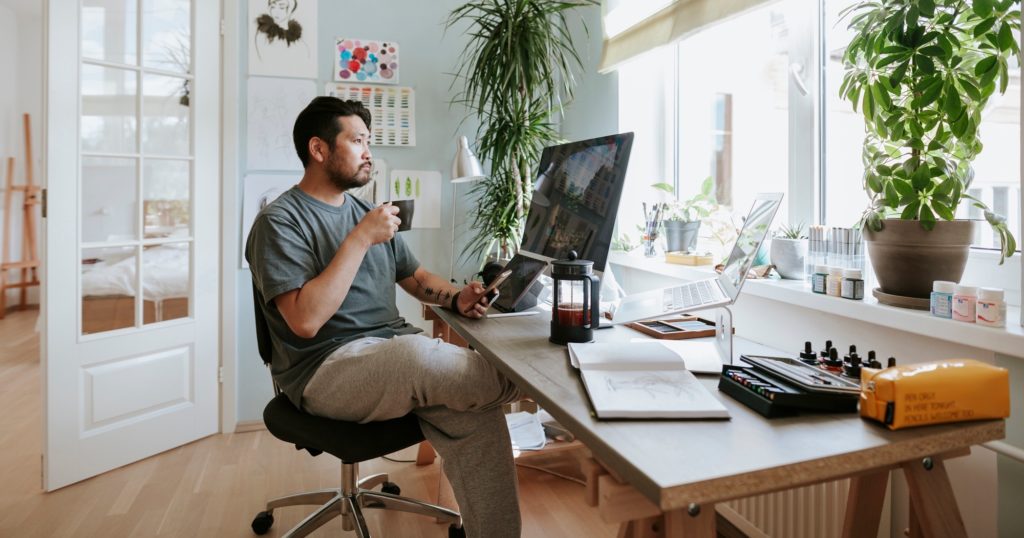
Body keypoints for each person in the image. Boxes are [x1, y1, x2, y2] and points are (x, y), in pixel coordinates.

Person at [245, 96, 523, 538]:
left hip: (392, 354)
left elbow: (415, 277)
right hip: (325, 370)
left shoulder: (367, 214)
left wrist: (457, 297)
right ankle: (532, 382)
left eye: (369, 141)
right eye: (357, 141)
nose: (369, 152)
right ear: (319, 150)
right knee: (421, 355)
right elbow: (304, 321)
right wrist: (359, 239)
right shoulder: (280, 222)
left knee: (477, 416)